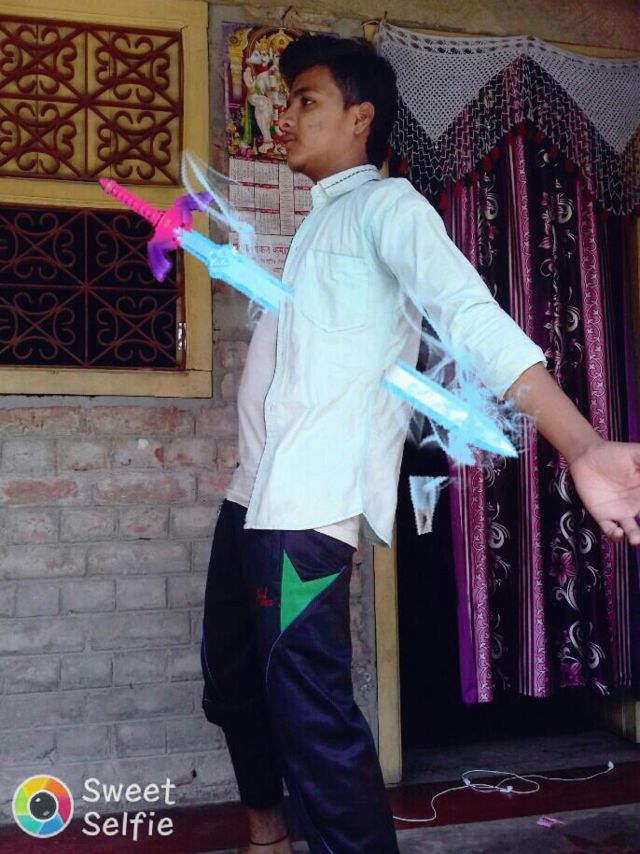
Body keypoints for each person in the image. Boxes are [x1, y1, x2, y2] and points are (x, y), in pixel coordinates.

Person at [200, 35, 640, 854]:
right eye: (286, 100)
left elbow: (469, 316)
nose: (286, 115)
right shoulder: (320, 223)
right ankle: (268, 836)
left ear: (359, 118)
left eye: (306, 100)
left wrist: (580, 443)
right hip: (248, 500)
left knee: (312, 718)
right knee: (231, 685)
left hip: (305, 514)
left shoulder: (389, 208)